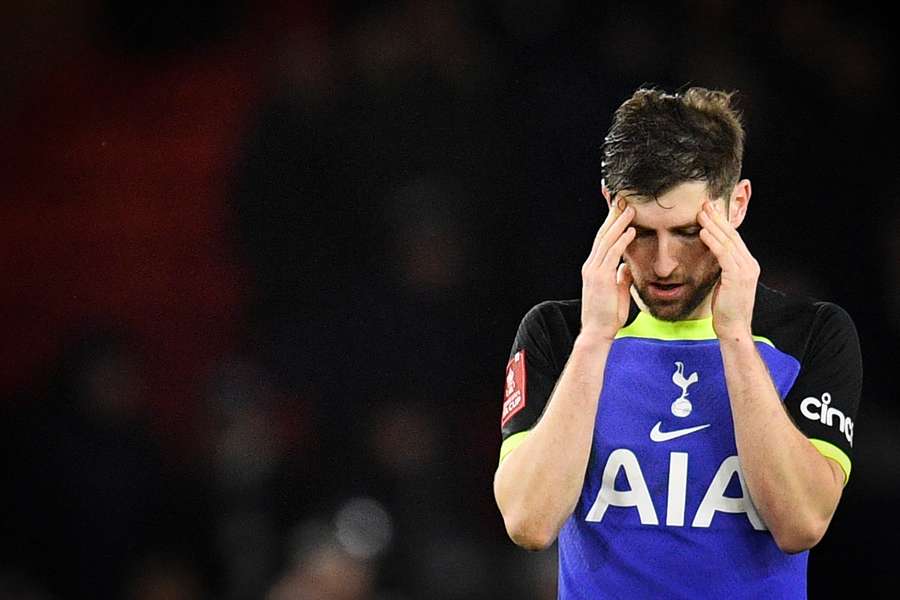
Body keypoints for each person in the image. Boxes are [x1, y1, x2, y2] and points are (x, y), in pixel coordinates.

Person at [493, 87, 861, 599]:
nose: (664, 263)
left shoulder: (812, 334)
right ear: (610, 207)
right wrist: (597, 337)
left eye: (689, 232)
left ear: (737, 205)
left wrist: (734, 338)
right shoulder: (559, 333)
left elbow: (801, 524)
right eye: (641, 232)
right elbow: (529, 523)